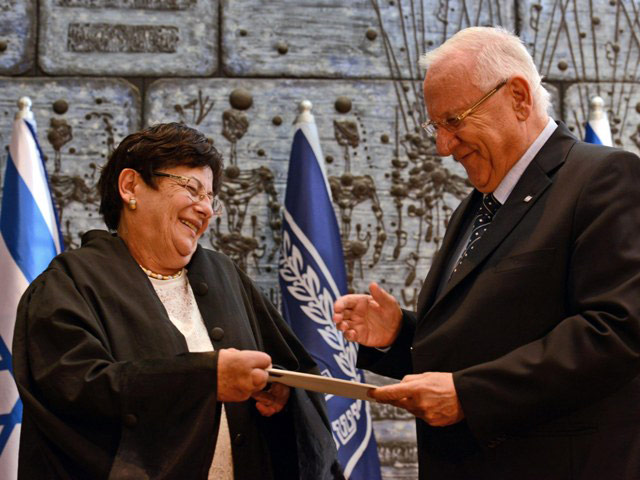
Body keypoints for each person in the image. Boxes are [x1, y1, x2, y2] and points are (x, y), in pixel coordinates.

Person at [334, 26, 640, 480]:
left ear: (517, 96)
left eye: (454, 121)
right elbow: (494, 336)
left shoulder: (606, 177)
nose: (442, 146)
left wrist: (470, 395)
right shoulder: (476, 206)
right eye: (436, 127)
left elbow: (617, 329)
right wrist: (402, 337)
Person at [13, 122, 341, 479]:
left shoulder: (226, 276)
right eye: (191, 189)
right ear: (130, 186)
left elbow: (296, 372)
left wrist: (281, 394)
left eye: (210, 198)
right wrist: (206, 380)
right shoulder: (68, 284)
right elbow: (75, 390)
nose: (205, 209)